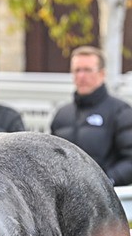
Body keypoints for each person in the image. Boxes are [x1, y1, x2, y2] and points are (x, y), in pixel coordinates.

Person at [50, 45, 132, 186]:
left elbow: (130, 160)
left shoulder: (121, 112)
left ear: (102, 74)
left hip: (107, 202)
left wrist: (104, 183)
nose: (81, 76)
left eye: (87, 70)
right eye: (77, 70)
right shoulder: (62, 115)